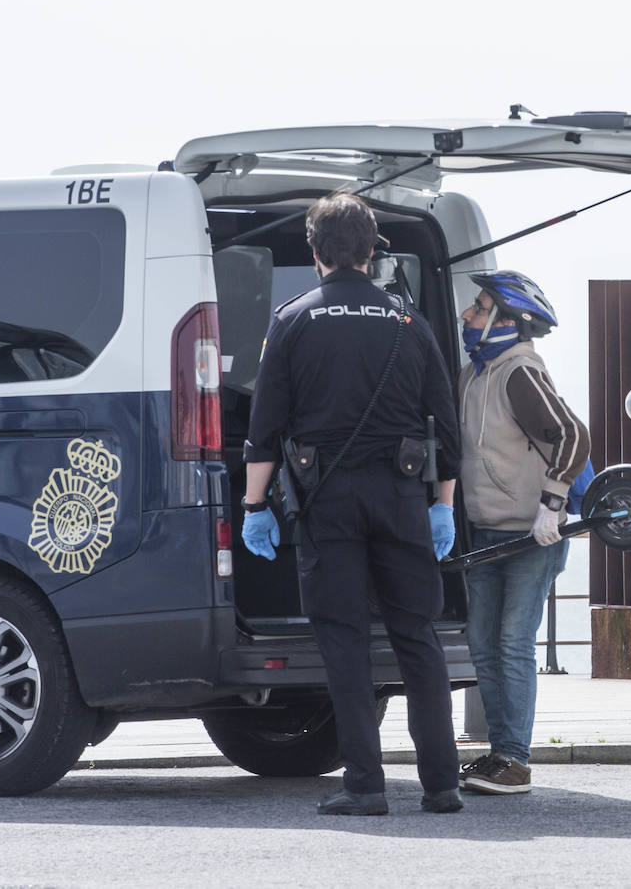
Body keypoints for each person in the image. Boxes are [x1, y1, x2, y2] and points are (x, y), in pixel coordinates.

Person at [240, 193, 464, 816]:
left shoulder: (292, 322)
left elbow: (265, 430)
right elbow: (446, 433)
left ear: (315, 254)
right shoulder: (408, 322)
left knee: (343, 642)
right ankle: (441, 784)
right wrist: (441, 505)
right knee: (417, 637)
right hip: (400, 497)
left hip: (328, 501)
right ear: (372, 252)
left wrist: (257, 505)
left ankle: (364, 785)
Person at [454, 270, 591, 795]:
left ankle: (514, 759)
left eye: (480, 307)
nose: (469, 314)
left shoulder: (518, 370)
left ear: (509, 322)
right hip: (486, 535)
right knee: (483, 644)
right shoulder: (473, 374)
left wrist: (552, 506)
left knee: (511, 642)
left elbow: (572, 435)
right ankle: (498, 754)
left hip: (533, 538)